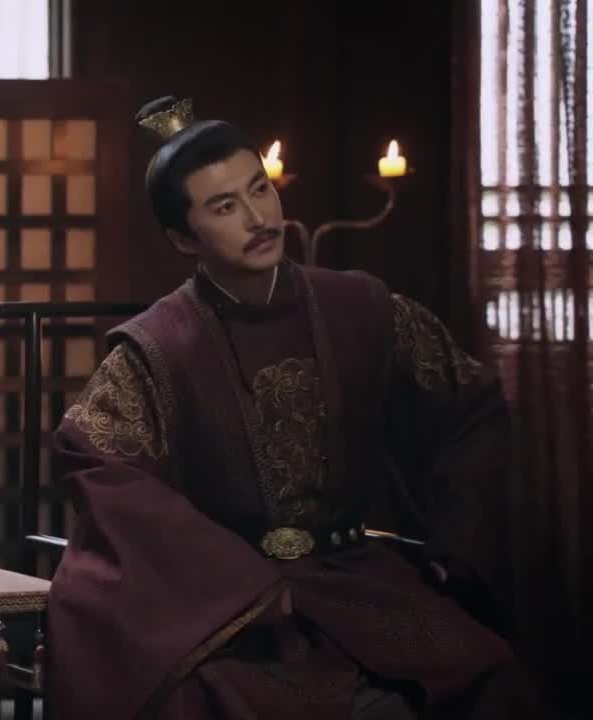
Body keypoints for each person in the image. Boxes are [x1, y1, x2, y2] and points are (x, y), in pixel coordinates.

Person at [46, 97, 547, 719]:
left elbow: (470, 403)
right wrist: (235, 582)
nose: (258, 217)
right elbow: (94, 458)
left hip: (359, 579)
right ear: (183, 237)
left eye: (259, 189)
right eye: (224, 207)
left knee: (490, 676)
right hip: (234, 603)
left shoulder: (360, 308)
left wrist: (454, 547)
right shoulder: (159, 347)